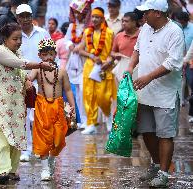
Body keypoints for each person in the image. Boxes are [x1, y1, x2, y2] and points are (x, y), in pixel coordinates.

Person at [0, 23, 54, 184]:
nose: (19, 41)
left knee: (16, 138)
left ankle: (12, 171)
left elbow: (21, 72)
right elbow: (20, 64)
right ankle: (2, 171)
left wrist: (27, 80)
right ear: (5, 39)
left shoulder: (18, 52)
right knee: (0, 137)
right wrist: (41, 65)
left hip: (17, 104)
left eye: (20, 38)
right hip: (1, 102)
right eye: (15, 39)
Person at [126, 0, 185, 187]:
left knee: (165, 134)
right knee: (146, 132)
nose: (143, 16)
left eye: (147, 12)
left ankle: (164, 174)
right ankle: (156, 165)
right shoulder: (145, 28)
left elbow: (172, 63)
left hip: (165, 93)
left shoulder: (174, 31)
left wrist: (148, 77)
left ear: (158, 13)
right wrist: (129, 68)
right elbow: (136, 51)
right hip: (145, 90)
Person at [28, 38, 75, 181]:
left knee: (59, 138)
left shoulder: (61, 72)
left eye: (51, 53)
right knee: (43, 138)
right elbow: (29, 78)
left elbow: (68, 90)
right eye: (44, 54)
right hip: (42, 106)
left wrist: (72, 106)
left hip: (58, 107)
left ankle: (51, 159)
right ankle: (44, 168)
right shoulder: (37, 69)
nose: (48, 57)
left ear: (55, 54)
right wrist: (27, 82)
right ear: (39, 56)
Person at [16, 3, 50, 162]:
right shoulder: (14, 35)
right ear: (17, 18)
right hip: (20, 80)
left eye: (28, 15)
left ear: (32, 16)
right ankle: (26, 149)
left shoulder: (42, 33)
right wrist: (25, 78)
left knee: (38, 117)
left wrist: (36, 75)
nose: (25, 19)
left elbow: (49, 55)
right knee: (23, 116)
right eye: (22, 16)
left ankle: (39, 147)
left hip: (41, 80)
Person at [78, 7, 116, 134]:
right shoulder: (87, 31)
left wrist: (109, 62)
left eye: (97, 17)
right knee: (89, 96)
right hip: (90, 67)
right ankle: (91, 124)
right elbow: (81, 49)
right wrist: (91, 56)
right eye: (93, 17)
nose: (94, 19)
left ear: (102, 18)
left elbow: (113, 52)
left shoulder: (110, 33)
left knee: (103, 97)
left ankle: (108, 116)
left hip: (104, 67)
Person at [65, 0, 93, 129]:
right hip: (73, 61)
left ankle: (89, 119)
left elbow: (89, 43)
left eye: (79, 13)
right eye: (75, 13)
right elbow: (66, 40)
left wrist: (81, 47)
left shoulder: (90, 28)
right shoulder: (72, 26)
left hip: (85, 61)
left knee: (84, 92)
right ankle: (80, 119)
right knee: (75, 91)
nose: (77, 15)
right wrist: (70, 45)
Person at [111, 12, 140, 82]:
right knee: (122, 92)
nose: (123, 23)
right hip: (122, 70)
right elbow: (112, 52)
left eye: (126, 21)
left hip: (139, 71)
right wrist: (116, 54)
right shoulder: (119, 36)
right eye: (122, 21)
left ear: (134, 22)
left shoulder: (142, 35)